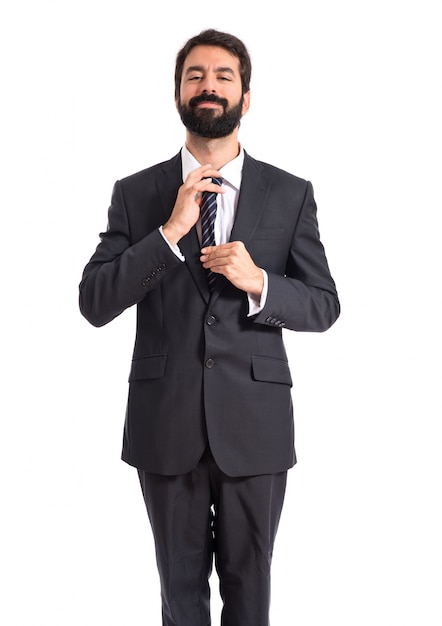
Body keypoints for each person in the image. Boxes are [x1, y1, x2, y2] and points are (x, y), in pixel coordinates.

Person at [79, 28, 340, 626]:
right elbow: (94, 302)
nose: (209, 87)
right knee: (180, 599)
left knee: (251, 600)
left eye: (224, 77)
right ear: (178, 93)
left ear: (246, 98)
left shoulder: (290, 193)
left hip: (256, 426)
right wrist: (168, 234)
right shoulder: (137, 193)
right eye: (195, 75)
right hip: (165, 424)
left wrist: (260, 283)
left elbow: (324, 305)